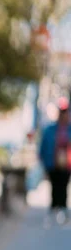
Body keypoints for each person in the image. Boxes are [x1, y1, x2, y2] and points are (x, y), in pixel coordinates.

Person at [39, 96, 71, 224]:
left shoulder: (69, 129)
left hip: (67, 164)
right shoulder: (50, 129)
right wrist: (43, 161)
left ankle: (62, 209)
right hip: (53, 162)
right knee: (54, 186)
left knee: (63, 186)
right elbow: (43, 146)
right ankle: (54, 208)